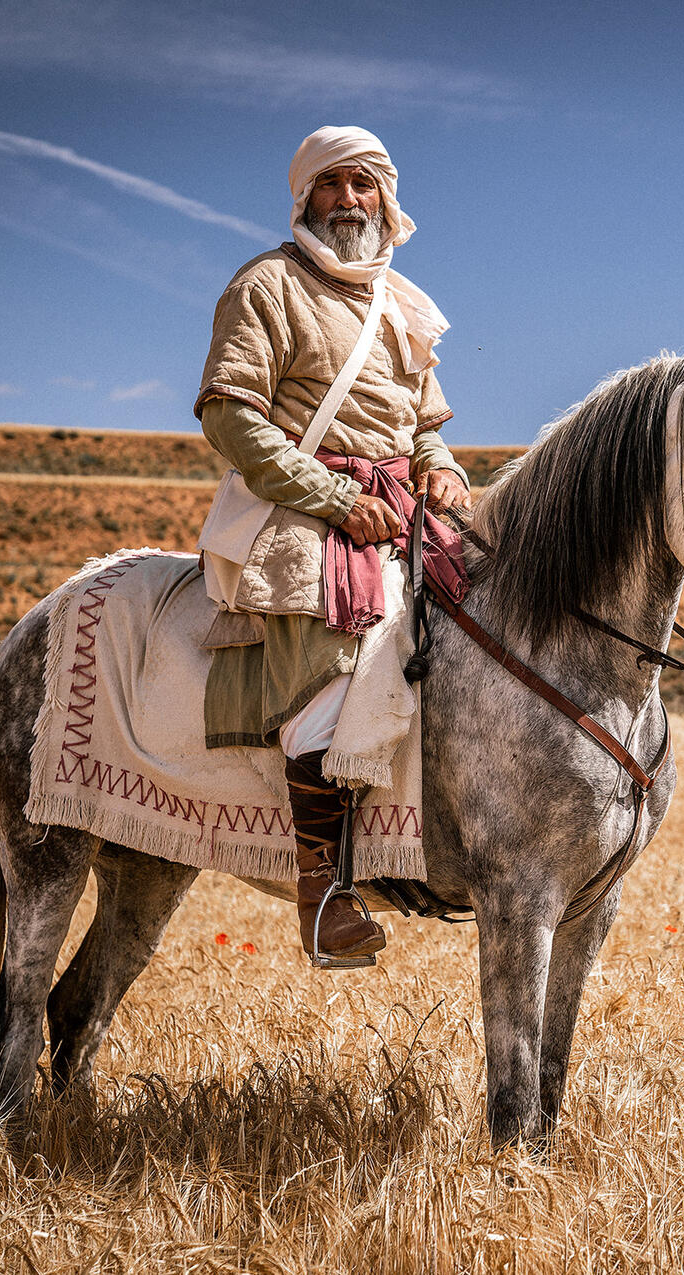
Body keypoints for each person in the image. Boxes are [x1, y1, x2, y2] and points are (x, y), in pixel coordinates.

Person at [194, 126, 470, 967]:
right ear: (305, 197)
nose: (350, 200)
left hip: (394, 507)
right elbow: (230, 415)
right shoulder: (267, 284)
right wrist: (337, 501)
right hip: (300, 511)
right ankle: (324, 893)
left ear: (386, 199)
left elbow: (422, 428)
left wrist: (447, 472)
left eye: (364, 185)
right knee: (333, 660)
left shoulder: (403, 302)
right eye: (332, 185)